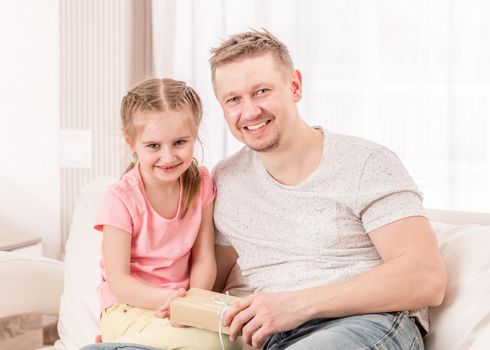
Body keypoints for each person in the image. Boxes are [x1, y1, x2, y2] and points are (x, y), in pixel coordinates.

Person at [210, 29, 448, 349]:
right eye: (234, 99)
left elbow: (426, 278)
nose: (250, 111)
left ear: (294, 86)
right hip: (276, 338)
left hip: (369, 323)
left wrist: (295, 305)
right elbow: (210, 278)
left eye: (262, 91)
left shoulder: (365, 162)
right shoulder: (227, 180)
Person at [84, 78, 241, 350]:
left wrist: (191, 302)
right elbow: (119, 281)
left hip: (183, 303)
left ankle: (121, 346)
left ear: (195, 135)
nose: (168, 157)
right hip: (128, 308)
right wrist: (169, 300)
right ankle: (121, 343)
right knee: (206, 344)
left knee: (231, 339)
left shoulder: (201, 183)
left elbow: (204, 258)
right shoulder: (120, 198)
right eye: (153, 146)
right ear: (130, 142)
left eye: (180, 142)